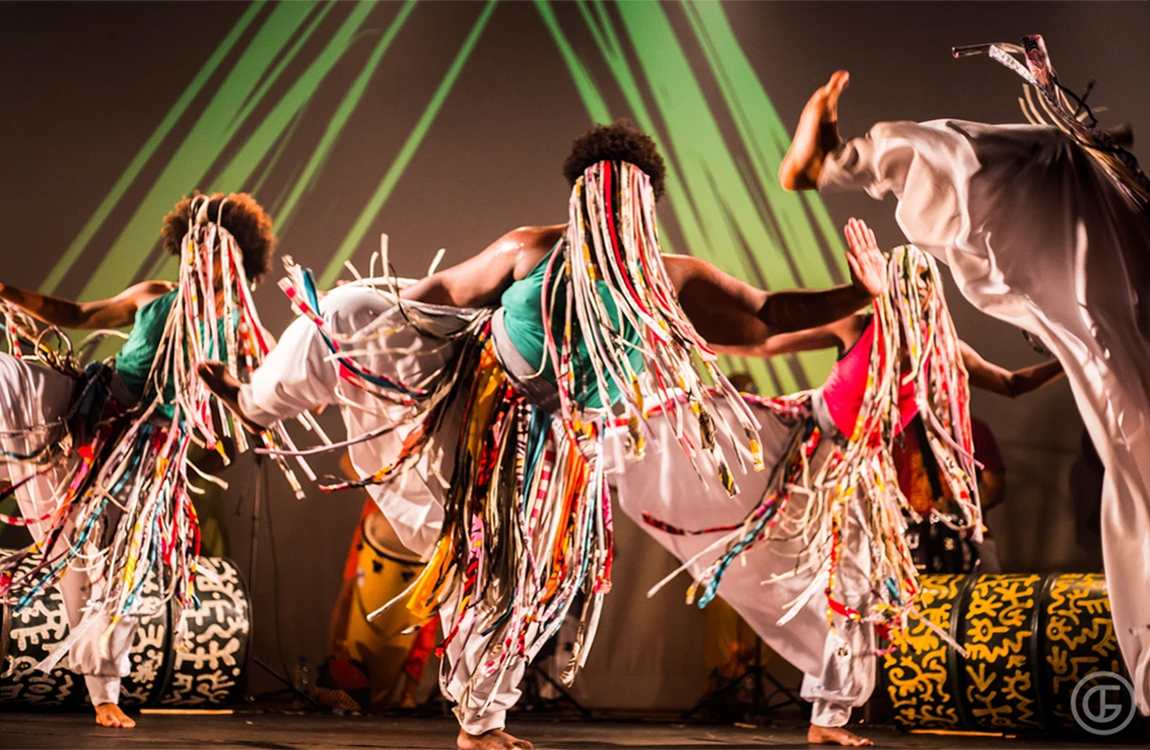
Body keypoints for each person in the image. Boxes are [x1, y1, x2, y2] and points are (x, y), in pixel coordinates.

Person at [198, 121, 889, 750]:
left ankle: (480, 723)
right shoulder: (532, 249)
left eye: (628, 196)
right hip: (468, 415)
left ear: (647, 204)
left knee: (521, 584)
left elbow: (767, 315)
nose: (614, 207)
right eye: (600, 192)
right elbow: (439, 292)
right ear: (581, 200)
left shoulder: (671, 281)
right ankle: (254, 401)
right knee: (350, 312)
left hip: (555, 456)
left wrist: (858, 293)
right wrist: (404, 335)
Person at [777, 35, 1150, 713]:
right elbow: (1108, 167)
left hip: (1104, 353)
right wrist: (1045, 81)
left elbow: (1006, 382)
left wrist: (1060, 363)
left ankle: (852, 160)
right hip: (841, 452)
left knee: (1060, 165)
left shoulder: (945, 344)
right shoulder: (871, 327)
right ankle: (849, 160)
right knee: (1058, 160)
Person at [609, 226, 1063, 746]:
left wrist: (1074, 360)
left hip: (854, 475)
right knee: (702, 436)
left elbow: (1011, 383)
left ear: (932, 294)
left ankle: (829, 717)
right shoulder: (859, 322)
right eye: (903, 284)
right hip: (803, 436)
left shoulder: (944, 347)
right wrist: (692, 338)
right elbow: (769, 342)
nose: (912, 294)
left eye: (920, 285)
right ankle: (606, 444)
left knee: (854, 589)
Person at [0, 192, 275, 727]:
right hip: (88, 417)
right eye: (193, 245)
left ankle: (105, 693)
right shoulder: (156, 295)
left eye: (213, 247)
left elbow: (249, 397)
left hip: (145, 461)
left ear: (238, 258)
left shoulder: (235, 327)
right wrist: (10, 293)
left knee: (108, 574)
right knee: (11, 379)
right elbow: (78, 314)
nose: (199, 255)